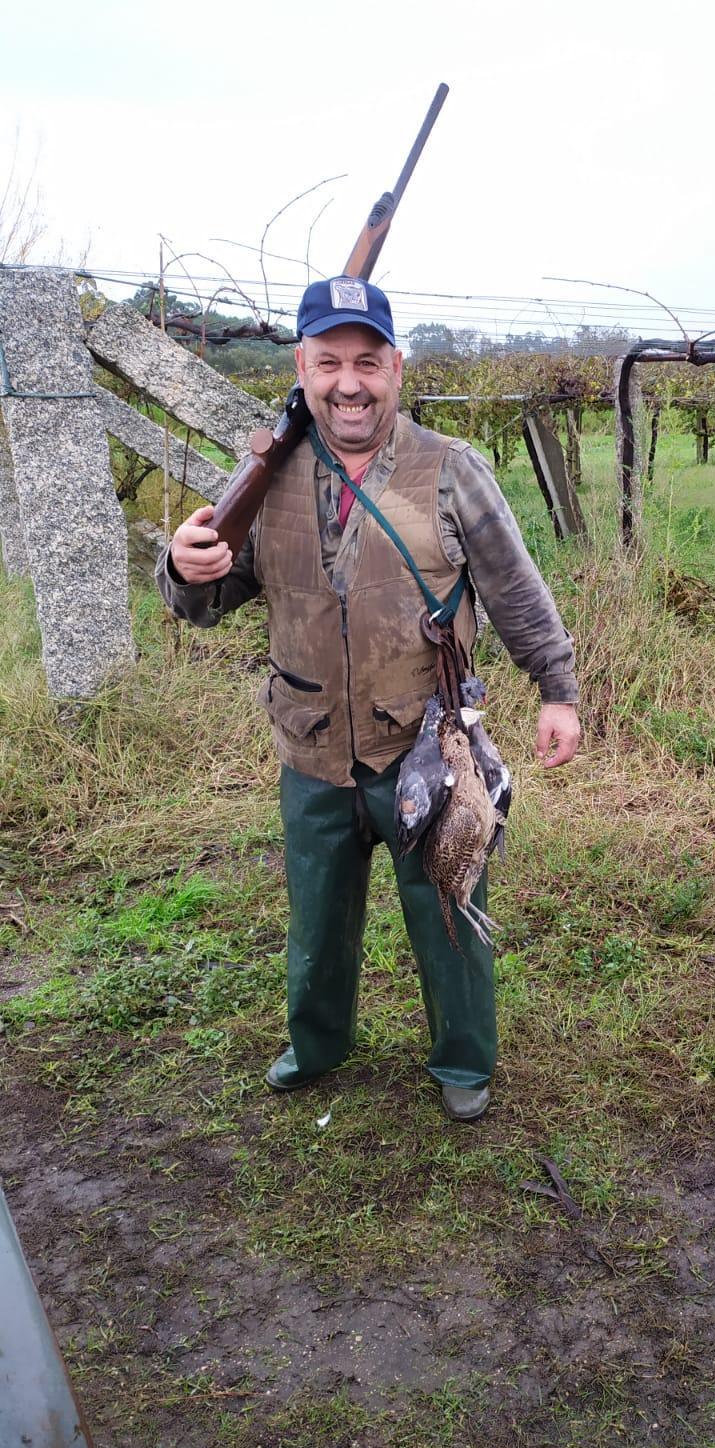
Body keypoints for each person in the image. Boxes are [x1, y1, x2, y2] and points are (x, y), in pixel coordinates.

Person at [157, 276, 580, 1120]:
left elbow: (516, 591)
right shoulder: (264, 475)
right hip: (309, 746)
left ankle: (463, 1063)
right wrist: (182, 568)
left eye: (366, 362)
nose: (348, 383)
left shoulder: (451, 470)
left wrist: (557, 689)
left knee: (450, 906)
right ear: (302, 368)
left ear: (395, 366)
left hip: (428, 747)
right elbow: (201, 603)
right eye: (328, 362)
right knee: (316, 920)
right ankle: (317, 1047)